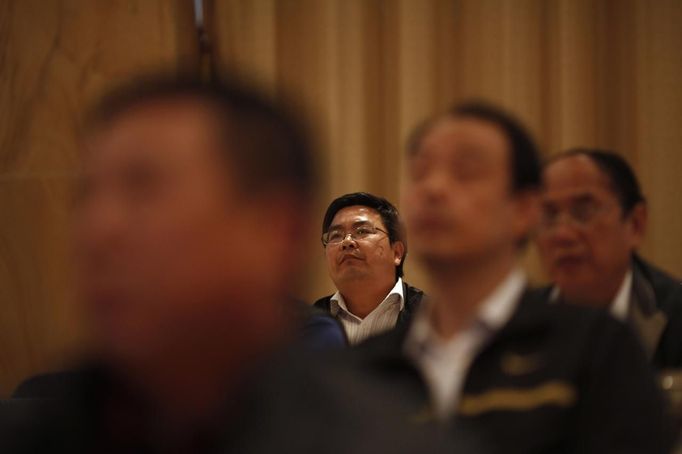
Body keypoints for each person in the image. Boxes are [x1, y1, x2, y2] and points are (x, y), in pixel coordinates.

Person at [1, 73, 446, 454]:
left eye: (144, 189)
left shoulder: (389, 440)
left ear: (275, 230)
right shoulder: (35, 431)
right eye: (87, 196)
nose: (97, 230)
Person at [350, 102, 675, 454]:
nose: (433, 189)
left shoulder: (595, 349)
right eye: (420, 172)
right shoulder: (368, 367)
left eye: (465, 172)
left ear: (524, 210)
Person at [535, 148, 682, 368]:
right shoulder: (514, 327)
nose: (562, 234)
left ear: (635, 225)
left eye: (583, 212)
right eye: (549, 216)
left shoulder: (675, 316)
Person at [314, 192, 425, 345]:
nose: (347, 242)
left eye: (362, 231)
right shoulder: (305, 327)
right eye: (336, 235)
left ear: (397, 252)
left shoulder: (432, 319)